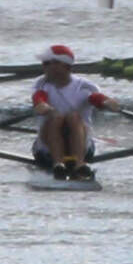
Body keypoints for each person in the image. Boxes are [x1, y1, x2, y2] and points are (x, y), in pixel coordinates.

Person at [30, 43, 115, 181]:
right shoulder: (41, 83)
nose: (43, 67)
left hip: (84, 148)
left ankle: (79, 165)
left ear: (63, 66)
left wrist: (107, 103)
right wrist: (43, 106)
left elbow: (96, 98)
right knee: (55, 117)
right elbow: (39, 98)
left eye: (47, 63)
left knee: (73, 117)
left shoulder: (85, 86)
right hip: (46, 152)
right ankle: (58, 164)